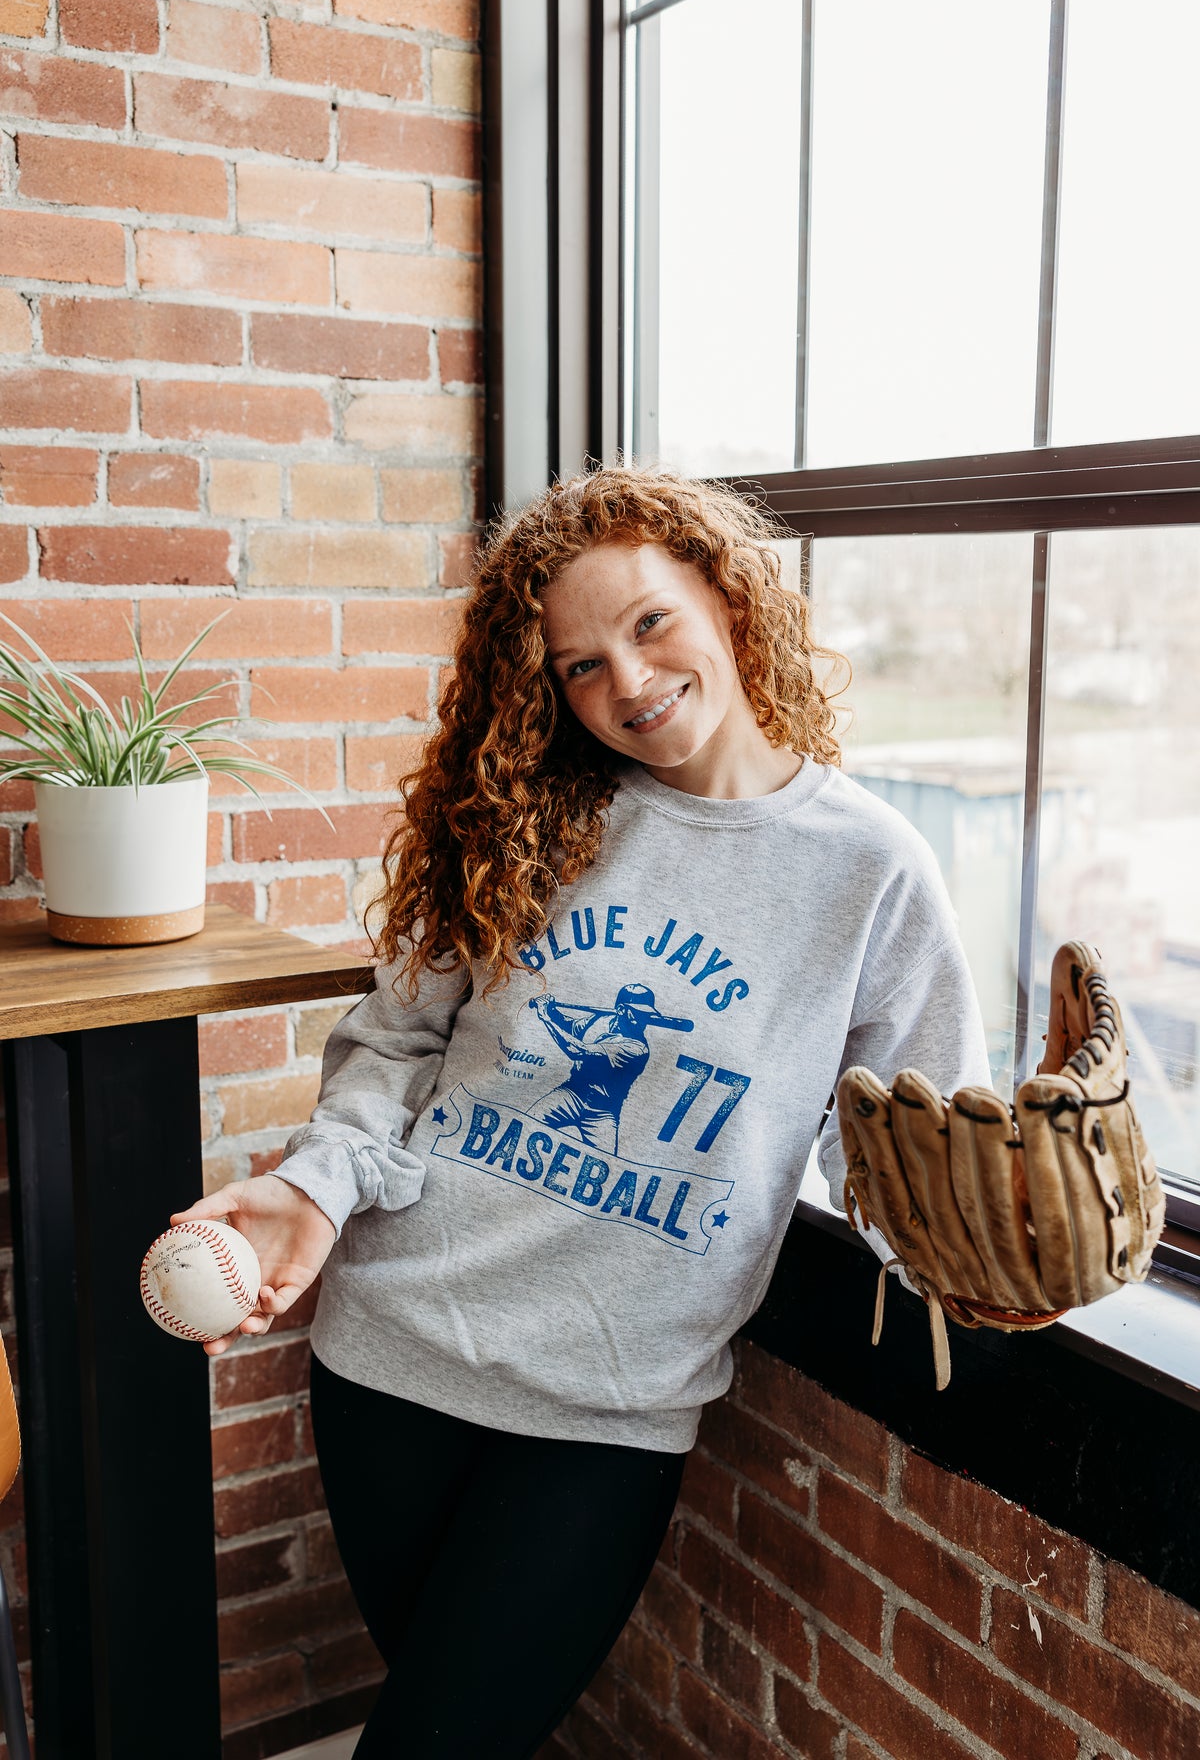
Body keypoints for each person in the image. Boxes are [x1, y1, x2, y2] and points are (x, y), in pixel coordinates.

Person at [175, 465, 990, 1757]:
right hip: (394, 1348)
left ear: (727, 597)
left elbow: (914, 1146)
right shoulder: (526, 817)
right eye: (578, 666)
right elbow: (396, 1042)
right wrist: (316, 1183)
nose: (626, 682)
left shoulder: (871, 871)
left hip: (606, 1404)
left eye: (651, 624)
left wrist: (985, 1249)